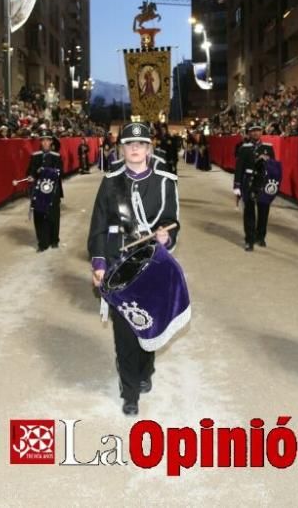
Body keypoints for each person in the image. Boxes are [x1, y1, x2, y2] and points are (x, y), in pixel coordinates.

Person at [88, 121, 180, 415]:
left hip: (151, 262)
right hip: (118, 262)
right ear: (122, 148)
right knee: (125, 330)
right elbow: (99, 224)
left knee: (148, 325)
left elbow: (170, 219)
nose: (135, 149)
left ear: (149, 148)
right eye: (129, 144)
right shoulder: (110, 179)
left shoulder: (165, 180)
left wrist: (167, 235)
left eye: (141, 144)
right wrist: (99, 262)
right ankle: (129, 392)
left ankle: (145, 370)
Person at [233, 123, 276, 251]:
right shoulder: (244, 148)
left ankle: (261, 237)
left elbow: (273, 167)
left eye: (258, 130)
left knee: (264, 211)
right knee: (249, 212)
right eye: (253, 131)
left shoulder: (268, 147)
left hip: (263, 183)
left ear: (261, 132)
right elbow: (239, 167)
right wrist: (237, 185)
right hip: (249, 182)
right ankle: (249, 240)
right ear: (249, 133)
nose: (256, 133)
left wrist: (267, 160)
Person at [27, 130, 64, 251]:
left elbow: (59, 172)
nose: (45, 143)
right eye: (43, 140)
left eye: (47, 140)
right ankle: (42, 242)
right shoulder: (35, 155)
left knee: (53, 216)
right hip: (39, 191)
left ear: (51, 142)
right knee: (39, 216)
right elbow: (29, 171)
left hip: (53, 191)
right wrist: (31, 175)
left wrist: (45, 170)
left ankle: (54, 240)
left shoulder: (56, 156)